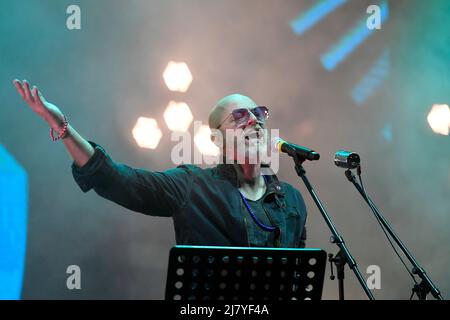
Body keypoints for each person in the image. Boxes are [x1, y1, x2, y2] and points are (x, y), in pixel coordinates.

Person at [13, 79, 307, 248]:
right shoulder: (194, 186)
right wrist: (64, 128)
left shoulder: (291, 201)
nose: (254, 120)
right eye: (241, 116)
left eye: (258, 113)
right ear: (217, 140)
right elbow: (117, 180)